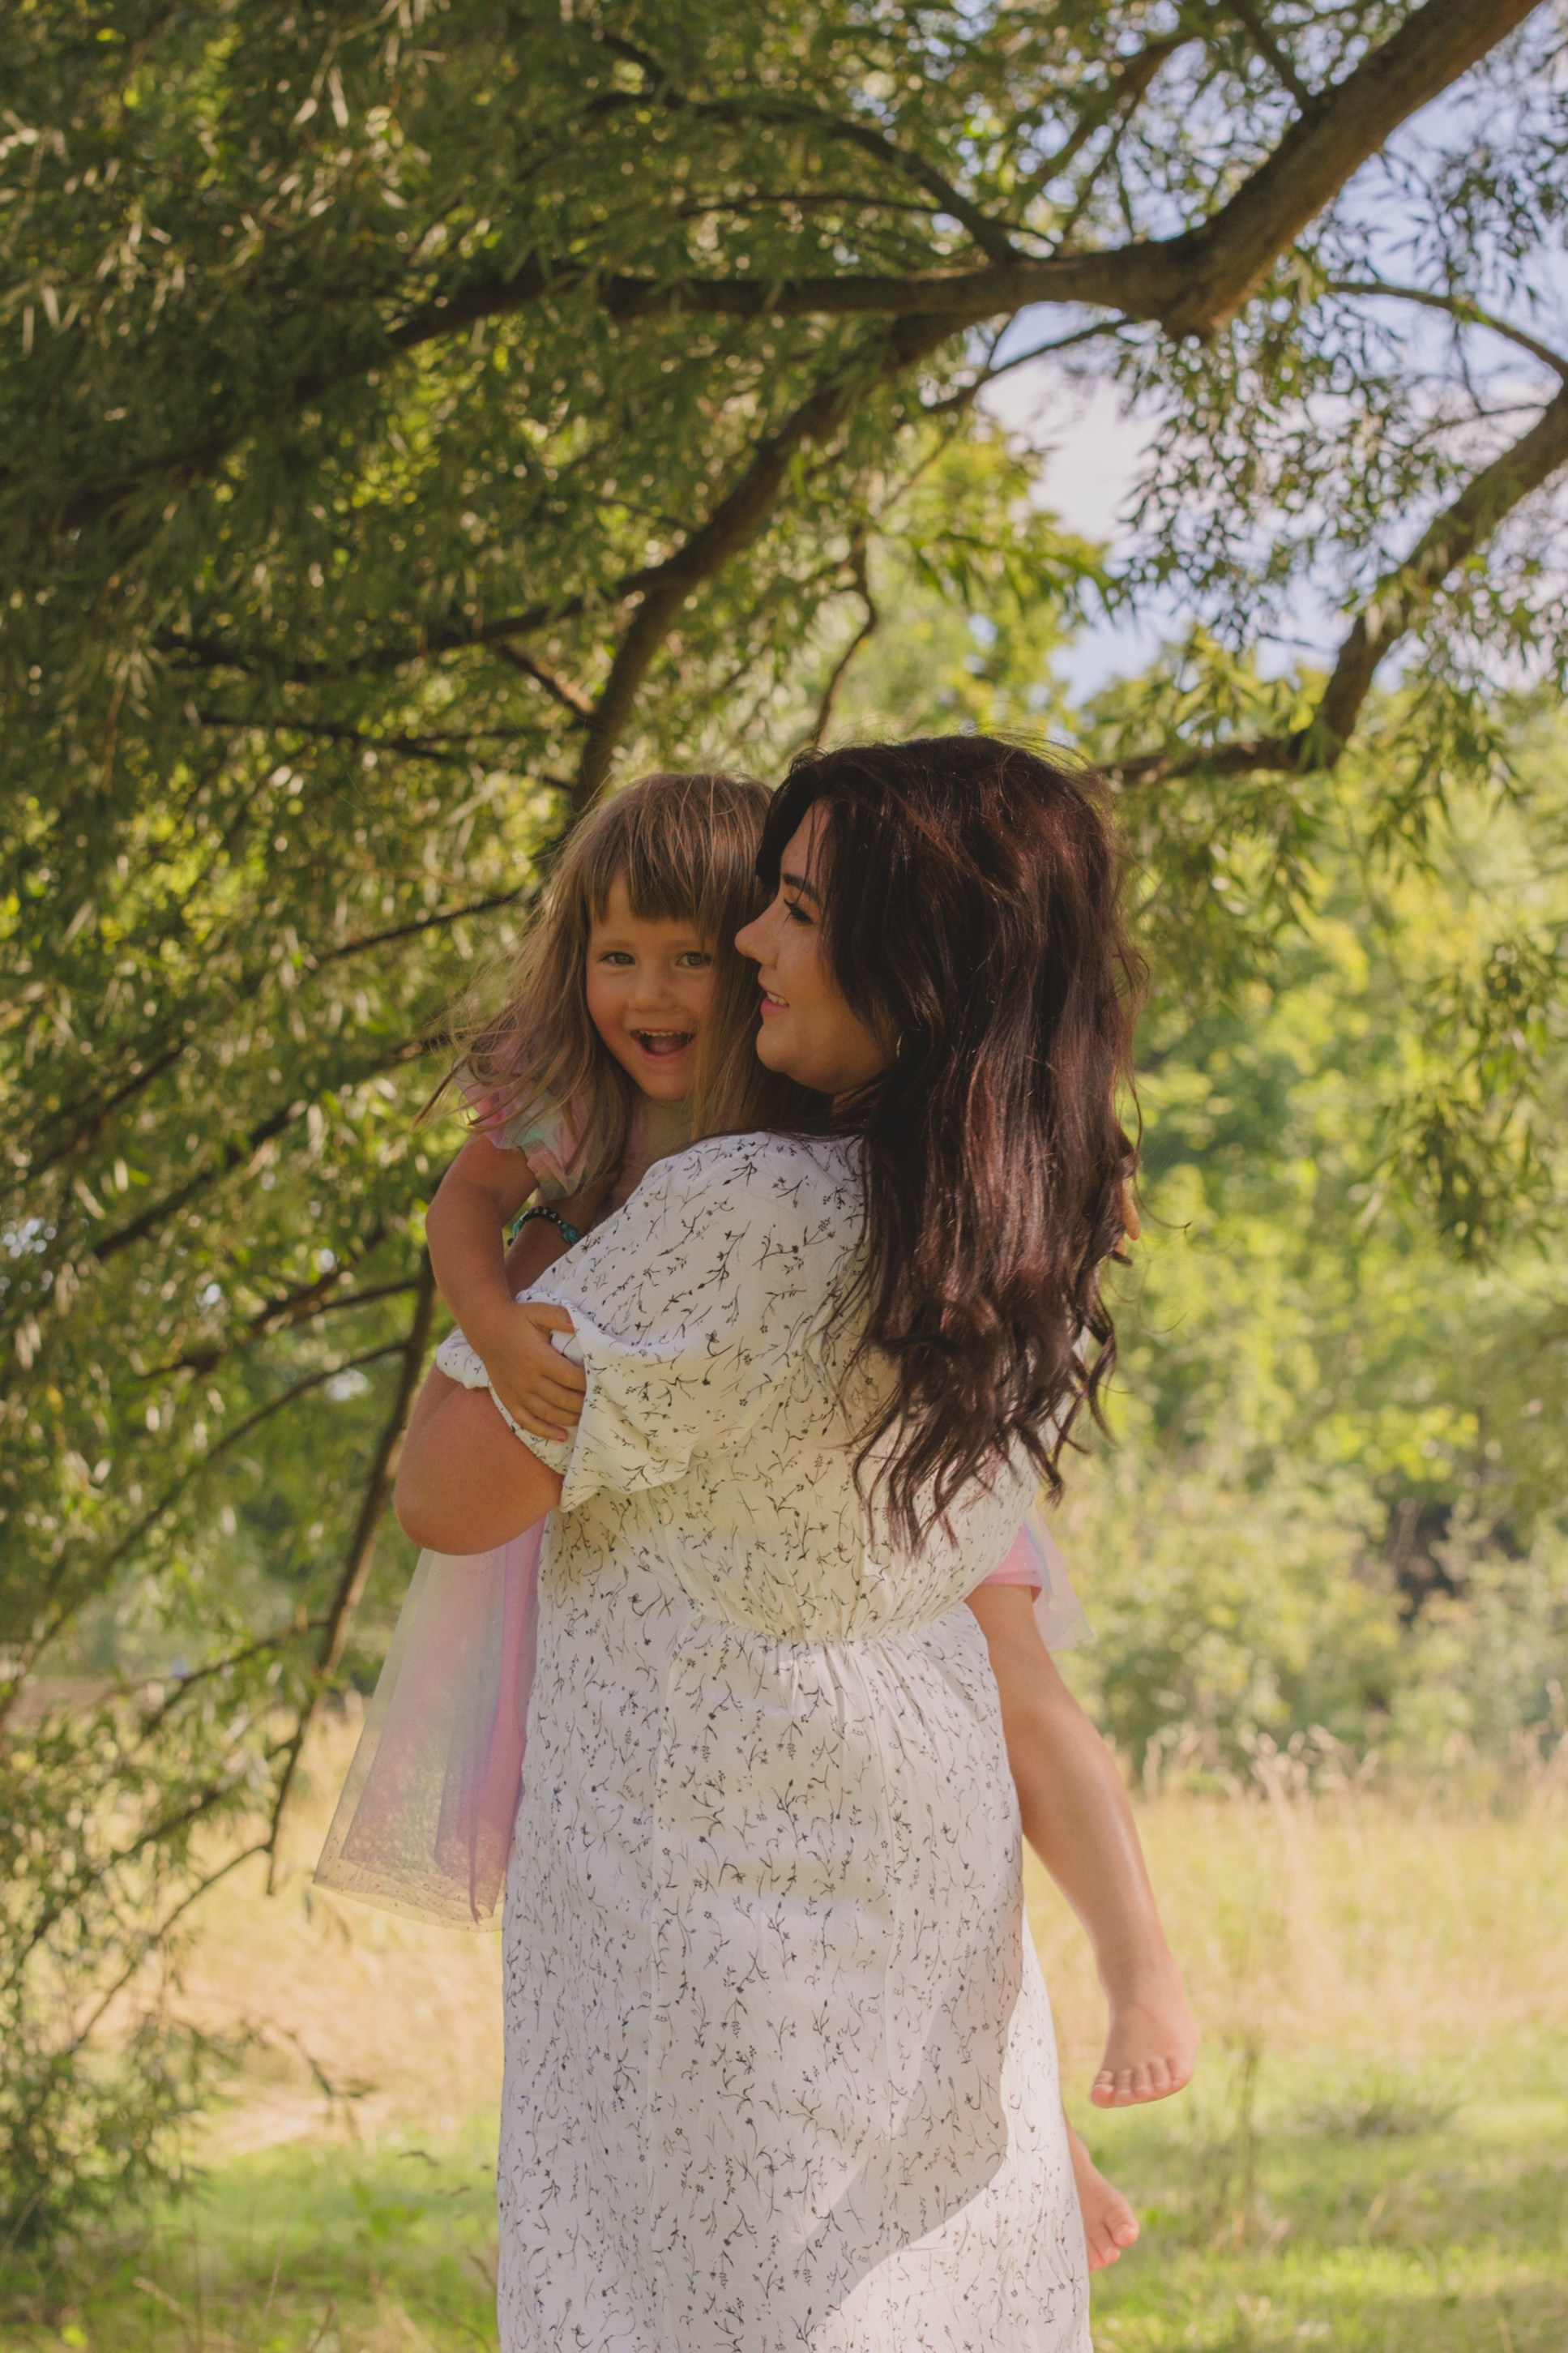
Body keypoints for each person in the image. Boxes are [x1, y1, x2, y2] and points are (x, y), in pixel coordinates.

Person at [394, 737, 1184, 2346]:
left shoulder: (744, 1209)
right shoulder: (1027, 1237)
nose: (749, 940)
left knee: (694, 2296)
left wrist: (536, 1255)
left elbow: (445, 1490)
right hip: (919, 1857)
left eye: (794, 911)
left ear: (916, 956)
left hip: (694, 1876)